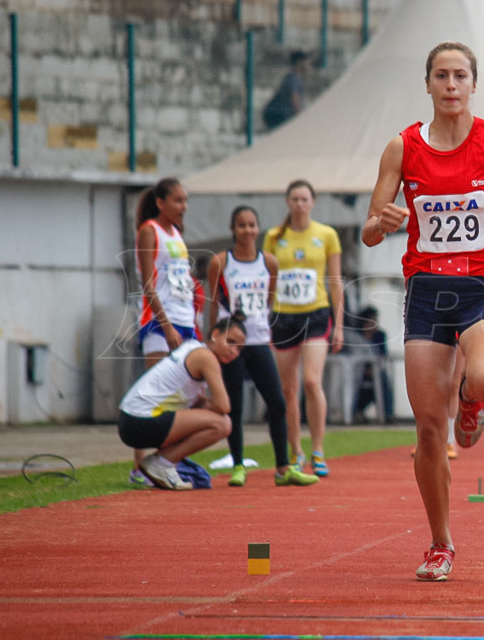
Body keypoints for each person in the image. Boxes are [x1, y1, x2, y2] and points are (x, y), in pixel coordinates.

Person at [361, 41, 484, 581]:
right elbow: (370, 228)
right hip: (427, 293)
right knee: (429, 428)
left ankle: (471, 399)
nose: (451, 85)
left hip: (481, 291)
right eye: (442, 76)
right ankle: (440, 543)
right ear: (427, 84)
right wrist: (382, 224)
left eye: (460, 76)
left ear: (474, 84)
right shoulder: (401, 149)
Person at [207, 206, 319, 487]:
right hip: (230, 343)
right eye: (242, 225)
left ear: (259, 229)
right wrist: (213, 339)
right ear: (233, 229)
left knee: (278, 402)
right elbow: (212, 303)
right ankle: (237, 466)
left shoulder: (269, 262)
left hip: (257, 339)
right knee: (234, 405)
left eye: (252, 225)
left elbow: (269, 300)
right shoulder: (221, 261)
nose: (247, 231)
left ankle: (283, 467)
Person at [263, 180, 344, 477]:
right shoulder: (274, 236)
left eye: (304, 199)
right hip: (283, 317)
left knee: (311, 381)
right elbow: (267, 281)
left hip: (316, 314)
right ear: (287, 202)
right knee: (288, 389)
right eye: (294, 199)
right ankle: (296, 451)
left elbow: (335, 281)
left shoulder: (326, 235)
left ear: (313, 202)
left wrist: (340, 325)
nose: (299, 204)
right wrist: (264, 319)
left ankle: (318, 451)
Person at [118, 317, 246, 490]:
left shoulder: (193, 348)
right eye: (230, 342)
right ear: (215, 334)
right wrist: (211, 405)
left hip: (130, 421)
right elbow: (223, 407)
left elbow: (200, 402)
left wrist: (207, 404)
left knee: (212, 420)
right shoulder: (206, 357)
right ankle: (163, 463)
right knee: (222, 424)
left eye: (239, 348)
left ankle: (165, 463)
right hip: (140, 421)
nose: (234, 351)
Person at [129, 178, 197, 486]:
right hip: (160, 321)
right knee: (153, 395)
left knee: (185, 395)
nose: (184, 207)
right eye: (178, 200)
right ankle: (139, 466)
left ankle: (167, 460)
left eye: (185, 201)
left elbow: (181, 279)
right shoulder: (149, 231)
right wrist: (166, 324)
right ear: (161, 202)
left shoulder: (177, 233)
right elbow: (147, 284)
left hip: (185, 319)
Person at [351, 307, 395, 424]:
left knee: (383, 380)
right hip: (358, 371)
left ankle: (388, 413)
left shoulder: (380, 335)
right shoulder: (356, 336)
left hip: (374, 369)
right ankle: (354, 411)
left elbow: (382, 355)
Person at [263, 50, 308, 130]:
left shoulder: (293, 78)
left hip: (279, 115)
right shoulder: (294, 79)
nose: (307, 64)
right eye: (305, 62)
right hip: (280, 115)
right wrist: (300, 116)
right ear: (299, 62)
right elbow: (294, 97)